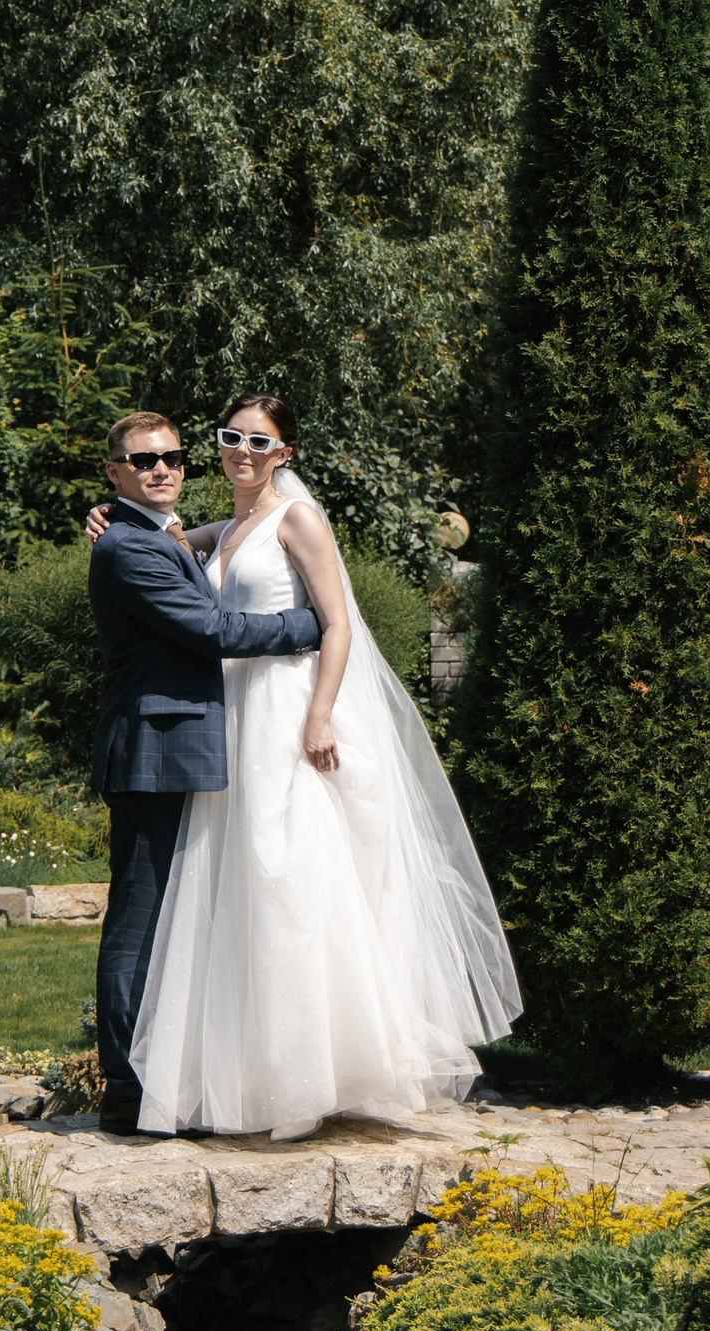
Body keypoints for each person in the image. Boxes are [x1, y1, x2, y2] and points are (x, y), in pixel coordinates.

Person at [87, 395, 521, 1140]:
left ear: (285, 452)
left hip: (288, 716)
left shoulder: (298, 518)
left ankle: (318, 1067)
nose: (241, 451)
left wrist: (319, 711)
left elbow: (340, 622)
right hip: (230, 728)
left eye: (260, 441)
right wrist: (114, 517)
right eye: (230, 438)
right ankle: (227, 1074)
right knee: (232, 892)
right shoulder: (216, 529)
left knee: (296, 881)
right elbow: (184, 561)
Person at [86, 410, 327, 1137]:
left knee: (173, 919)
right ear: (116, 471)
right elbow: (213, 628)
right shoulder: (129, 548)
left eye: (173, 456)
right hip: (151, 750)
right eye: (143, 459)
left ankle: (171, 1075)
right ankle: (126, 1090)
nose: (161, 468)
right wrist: (308, 626)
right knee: (138, 920)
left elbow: (215, 544)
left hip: (184, 746)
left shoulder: (161, 535)